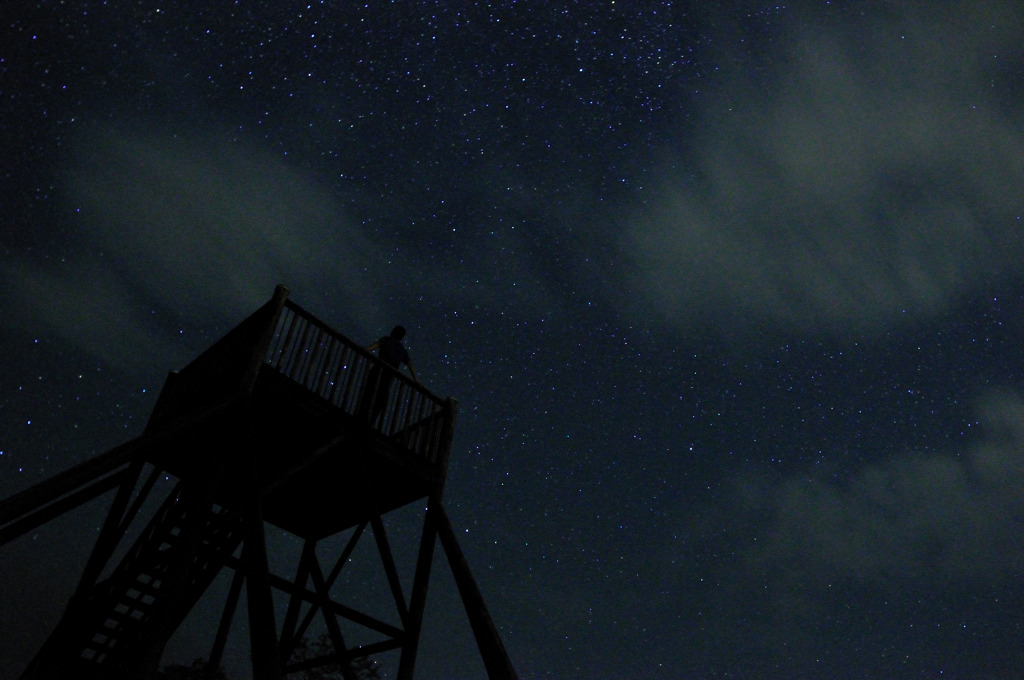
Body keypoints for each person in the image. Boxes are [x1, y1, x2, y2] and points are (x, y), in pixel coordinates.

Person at [360, 325, 418, 427]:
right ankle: (370, 421)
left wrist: (366, 349)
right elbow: (410, 364)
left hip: (378, 370)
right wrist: (416, 380)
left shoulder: (387, 340)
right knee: (380, 398)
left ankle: (362, 418)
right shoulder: (402, 349)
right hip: (389, 376)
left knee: (369, 393)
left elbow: (376, 345)